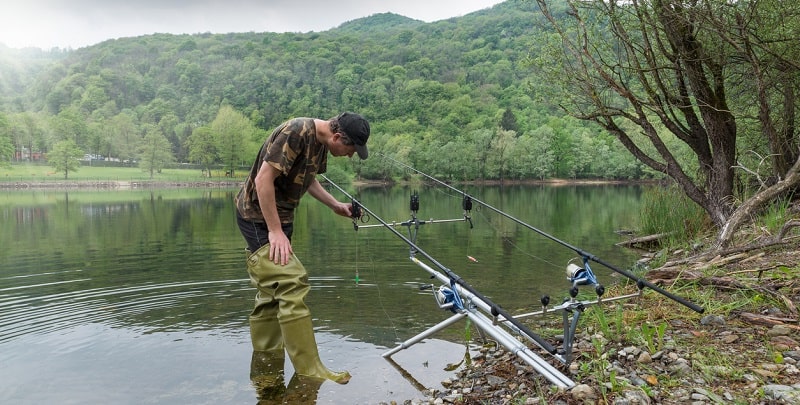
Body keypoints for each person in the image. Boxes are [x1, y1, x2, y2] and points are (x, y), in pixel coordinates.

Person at [235, 112, 370, 385]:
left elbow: (307, 180)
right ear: (337, 137)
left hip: (280, 218)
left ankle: (266, 357)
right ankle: (310, 368)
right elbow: (263, 180)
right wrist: (274, 231)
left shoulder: (320, 143)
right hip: (258, 216)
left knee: (272, 290)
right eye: (351, 150)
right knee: (292, 282)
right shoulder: (296, 132)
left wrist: (335, 206)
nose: (350, 156)